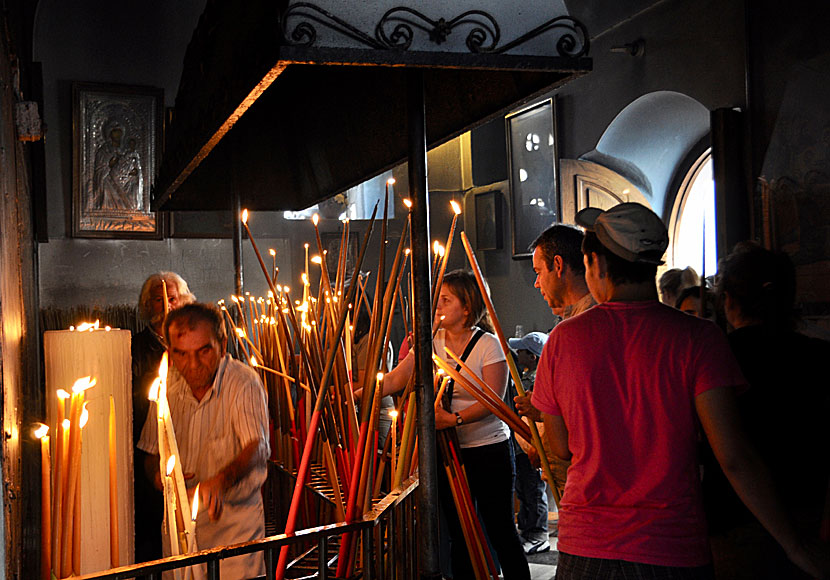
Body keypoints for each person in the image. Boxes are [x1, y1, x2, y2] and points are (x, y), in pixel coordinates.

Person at [531, 202, 828, 579]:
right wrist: (796, 546)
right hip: (672, 547)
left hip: (587, 545)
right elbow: (733, 455)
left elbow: (559, 447)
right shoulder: (699, 337)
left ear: (596, 264)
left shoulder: (563, 340)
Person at [380, 269, 530, 580]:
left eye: (446, 300)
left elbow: (493, 401)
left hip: (488, 449)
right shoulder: (431, 340)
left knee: (499, 527)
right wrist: (360, 393)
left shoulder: (489, 344)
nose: (437, 306)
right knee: (460, 530)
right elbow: (397, 378)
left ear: (467, 306)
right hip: (447, 450)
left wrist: (455, 418)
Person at [705, 241, 830, 579]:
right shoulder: (819, 357)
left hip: (735, 526)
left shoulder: (715, 361)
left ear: (728, 300)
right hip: (812, 516)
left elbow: (730, 457)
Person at [138, 303, 270, 580]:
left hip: (235, 537)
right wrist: (158, 477)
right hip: (179, 537)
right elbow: (151, 452)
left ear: (222, 345)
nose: (193, 365)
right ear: (170, 352)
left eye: (204, 351)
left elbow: (257, 447)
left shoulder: (243, 383)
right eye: (182, 354)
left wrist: (221, 480)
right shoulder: (166, 388)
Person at [514, 224, 595, 502]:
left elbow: (568, 434)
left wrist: (542, 416)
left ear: (558, 265)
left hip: (587, 480)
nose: (537, 283)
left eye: (538, 272)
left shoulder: (579, 330)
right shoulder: (572, 324)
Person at [132, 272, 194, 566]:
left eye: (172, 298)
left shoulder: (196, 344)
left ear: (184, 302)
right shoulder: (136, 347)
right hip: (149, 449)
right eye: (159, 300)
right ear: (148, 305)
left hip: (191, 446)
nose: (166, 306)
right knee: (154, 534)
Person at [508, 331, 550, 554]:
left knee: (534, 488)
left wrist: (536, 445)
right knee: (524, 488)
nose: (517, 354)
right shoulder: (525, 376)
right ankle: (527, 529)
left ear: (532, 357)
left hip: (533, 443)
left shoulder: (539, 382)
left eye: (521, 351)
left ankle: (538, 533)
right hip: (522, 443)